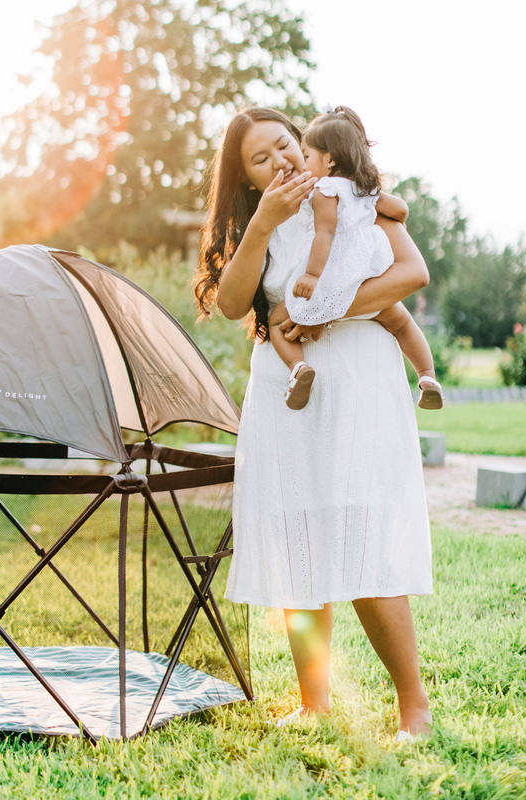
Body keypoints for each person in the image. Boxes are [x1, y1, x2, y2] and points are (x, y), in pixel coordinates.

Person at [194, 106, 433, 739]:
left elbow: (412, 273)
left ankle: (413, 705)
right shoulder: (258, 222)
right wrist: (264, 225)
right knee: (299, 530)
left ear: (304, 145)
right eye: (261, 159)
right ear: (246, 180)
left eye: (284, 145)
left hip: (356, 375)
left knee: (361, 528)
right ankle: (314, 700)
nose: (281, 161)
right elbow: (232, 303)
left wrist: (329, 308)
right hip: (287, 385)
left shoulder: (357, 195)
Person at [266, 106, 443, 411]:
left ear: (329, 159)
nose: (304, 162)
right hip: (368, 279)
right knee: (402, 324)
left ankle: (299, 368)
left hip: (333, 281)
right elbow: (401, 211)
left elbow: (324, 234)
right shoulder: (364, 190)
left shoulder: (324, 190)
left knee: (276, 321)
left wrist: (310, 276)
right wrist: (375, 201)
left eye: (307, 156)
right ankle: (427, 378)